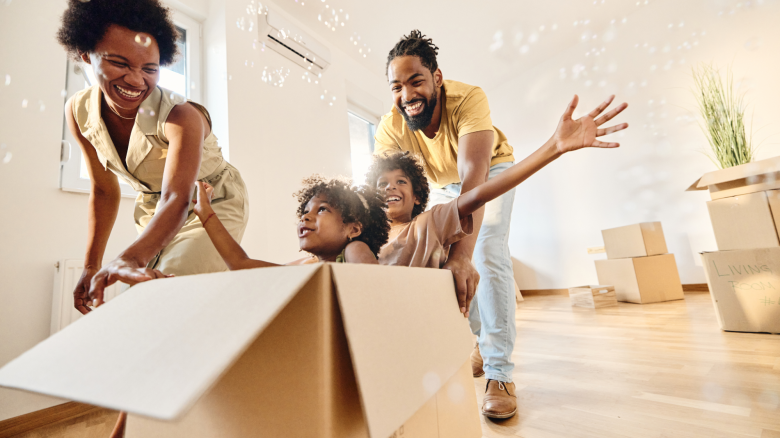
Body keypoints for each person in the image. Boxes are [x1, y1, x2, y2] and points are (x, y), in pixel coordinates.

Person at [374, 30, 628, 419]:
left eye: (416, 81)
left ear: (437, 78)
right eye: (397, 86)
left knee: (486, 248)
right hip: (442, 185)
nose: (407, 94)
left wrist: (463, 254)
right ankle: (477, 343)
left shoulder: (468, 98)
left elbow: (474, 179)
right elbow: (387, 192)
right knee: (442, 261)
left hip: (490, 170)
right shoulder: (390, 125)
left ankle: (499, 373)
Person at [57, 0, 249, 312]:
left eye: (149, 68)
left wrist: (129, 257)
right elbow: (104, 190)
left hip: (211, 200)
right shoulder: (77, 111)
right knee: (154, 292)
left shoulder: (182, 116)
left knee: (172, 293)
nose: (136, 80)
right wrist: (92, 266)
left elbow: (178, 197)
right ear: (85, 54)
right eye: (120, 63)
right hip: (154, 206)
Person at [193, 175, 389, 267]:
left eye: (322, 209)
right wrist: (205, 212)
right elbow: (240, 264)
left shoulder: (354, 249)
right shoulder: (307, 265)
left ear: (353, 229)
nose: (305, 217)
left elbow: (372, 285)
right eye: (304, 212)